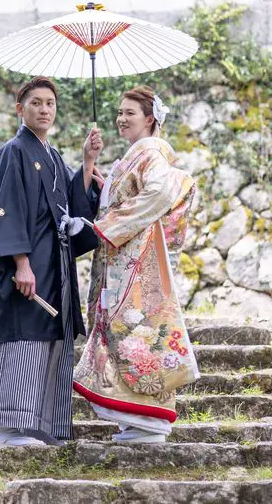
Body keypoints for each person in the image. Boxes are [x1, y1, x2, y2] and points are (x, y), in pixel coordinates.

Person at [0, 76, 103, 447]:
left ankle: (38, 428)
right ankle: (6, 429)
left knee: (48, 339)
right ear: (20, 109)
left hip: (55, 265)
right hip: (29, 265)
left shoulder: (52, 156)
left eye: (50, 103)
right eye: (36, 103)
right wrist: (20, 263)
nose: (44, 109)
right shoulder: (13, 152)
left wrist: (88, 161)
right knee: (22, 339)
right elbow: (7, 210)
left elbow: (73, 207)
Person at [72, 85, 199, 444]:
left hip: (134, 261)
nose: (121, 118)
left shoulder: (151, 153)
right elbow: (131, 195)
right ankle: (136, 422)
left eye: (130, 112)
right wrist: (98, 173)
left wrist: (110, 225)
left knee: (137, 334)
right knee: (126, 334)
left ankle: (148, 423)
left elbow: (158, 193)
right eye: (120, 112)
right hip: (123, 259)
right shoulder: (136, 155)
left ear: (151, 119)